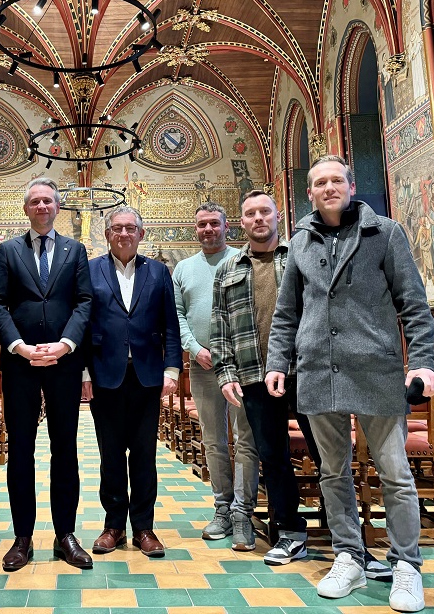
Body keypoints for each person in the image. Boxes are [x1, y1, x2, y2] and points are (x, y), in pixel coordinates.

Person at [265, 156, 434, 613]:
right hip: (319, 371)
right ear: (310, 192)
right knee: (332, 471)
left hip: (376, 370)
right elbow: (287, 313)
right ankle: (349, 555)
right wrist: (277, 362)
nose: (328, 188)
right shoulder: (300, 241)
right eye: (319, 182)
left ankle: (406, 566)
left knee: (395, 474)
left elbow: (414, 305)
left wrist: (422, 362)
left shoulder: (385, 233)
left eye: (336, 180)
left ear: (351, 185)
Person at [213, 190, 394, 578]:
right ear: (240, 222)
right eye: (250, 214)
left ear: (279, 215)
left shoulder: (301, 253)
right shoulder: (227, 269)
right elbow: (220, 329)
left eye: (265, 211)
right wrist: (225, 373)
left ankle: (349, 542)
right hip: (254, 375)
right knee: (273, 457)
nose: (258, 219)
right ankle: (290, 532)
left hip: (311, 370)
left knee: (331, 458)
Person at [0, 177, 93, 571]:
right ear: (26, 208)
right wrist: (19, 346)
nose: (42, 206)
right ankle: (22, 537)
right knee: (21, 451)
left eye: (49, 200)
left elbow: (84, 302)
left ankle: (65, 534)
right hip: (20, 363)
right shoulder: (8, 250)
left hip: (64, 363)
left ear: (58, 206)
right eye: (35, 201)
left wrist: (66, 344)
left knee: (65, 450)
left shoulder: (75, 250)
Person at [82, 206, 181, 558]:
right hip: (105, 375)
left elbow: (171, 324)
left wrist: (172, 370)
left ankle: (144, 528)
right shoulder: (90, 270)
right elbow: (82, 324)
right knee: (110, 456)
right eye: (117, 228)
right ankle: (113, 527)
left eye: (130, 228)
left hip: (147, 377)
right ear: (107, 234)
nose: (124, 233)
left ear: (141, 233)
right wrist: (83, 373)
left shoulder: (157, 271)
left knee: (143, 455)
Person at [172, 202, 259, 551]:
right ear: (195, 229)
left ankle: (243, 513)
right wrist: (194, 348)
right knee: (213, 441)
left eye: (213, 223)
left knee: (246, 440)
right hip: (203, 365)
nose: (208, 229)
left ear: (227, 226)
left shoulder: (244, 259)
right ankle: (222, 509)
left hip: (243, 366)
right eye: (201, 224)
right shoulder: (183, 268)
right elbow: (177, 315)